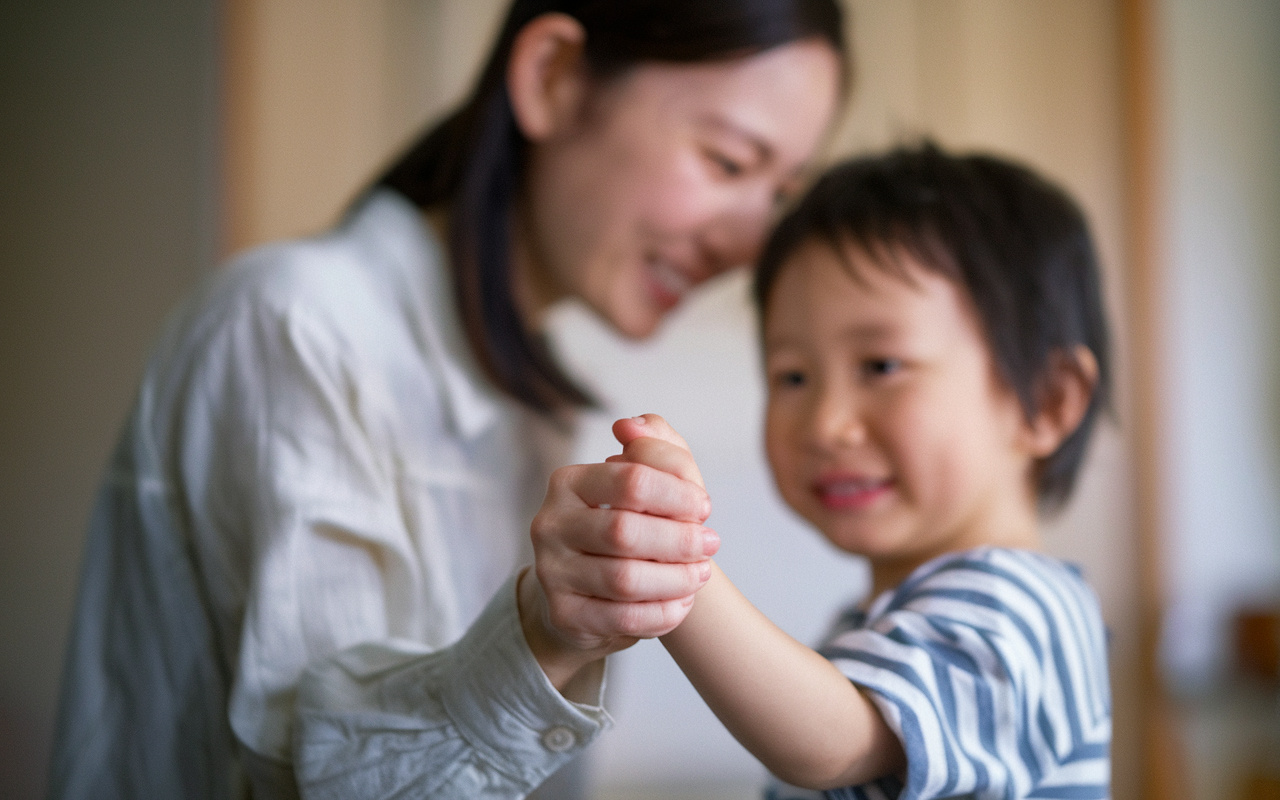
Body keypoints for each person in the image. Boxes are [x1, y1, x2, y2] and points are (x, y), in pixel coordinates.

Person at [47, 2, 847, 798]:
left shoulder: (537, 405)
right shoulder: (293, 325)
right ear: (554, 77)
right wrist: (542, 638)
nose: (749, 244)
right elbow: (319, 776)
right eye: (728, 162)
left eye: (779, 193)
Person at [596, 142, 1114, 798]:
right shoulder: (875, 623)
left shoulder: (1022, 610)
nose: (826, 424)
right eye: (792, 376)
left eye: (881, 366)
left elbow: (837, 746)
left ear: (1047, 400)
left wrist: (680, 573)